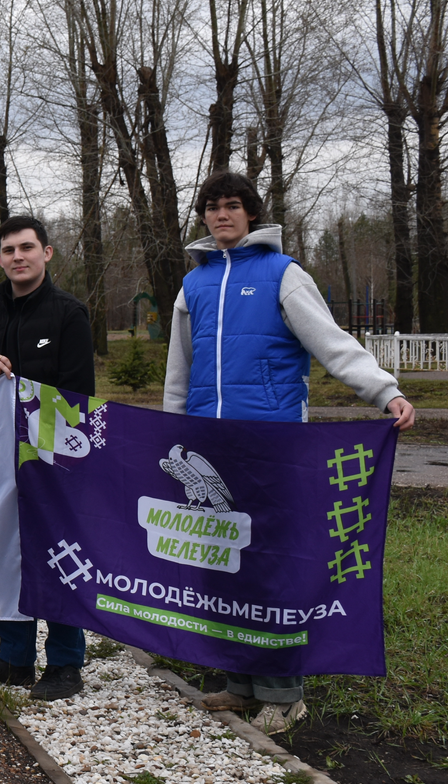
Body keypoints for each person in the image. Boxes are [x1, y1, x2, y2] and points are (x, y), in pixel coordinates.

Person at [163, 171, 414, 733]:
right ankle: (239, 682)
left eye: (232, 206)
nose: (222, 215)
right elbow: (179, 370)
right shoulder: (194, 284)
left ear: (251, 214)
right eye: (212, 207)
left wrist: (384, 390)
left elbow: (332, 343)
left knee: (271, 564)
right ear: (203, 216)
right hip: (210, 445)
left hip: (273, 443)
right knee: (223, 563)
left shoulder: (283, 274)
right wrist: (171, 433)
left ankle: (284, 691)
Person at [0, 215, 96, 701]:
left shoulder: (68, 313)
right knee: (6, 554)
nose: (18, 257)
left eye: (27, 248)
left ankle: (64, 663)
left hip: (53, 456)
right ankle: (13, 656)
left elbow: (80, 393)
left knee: (57, 556)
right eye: (9, 250)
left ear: (47, 253)